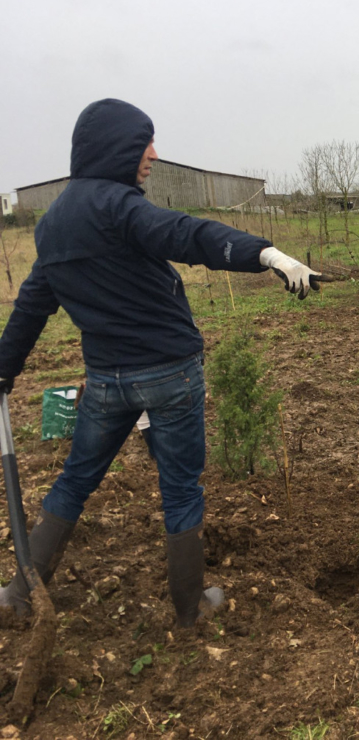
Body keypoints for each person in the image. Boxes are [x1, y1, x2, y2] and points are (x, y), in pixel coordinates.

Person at [0, 98, 320, 627]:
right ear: (116, 148)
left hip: (107, 381)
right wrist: (267, 255)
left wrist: (5, 367)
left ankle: (17, 592)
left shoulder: (52, 224)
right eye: (143, 142)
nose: (152, 153)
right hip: (169, 375)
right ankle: (190, 608)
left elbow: (34, 300)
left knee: (74, 480)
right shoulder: (120, 208)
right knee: (179, 488)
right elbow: (188, 235)